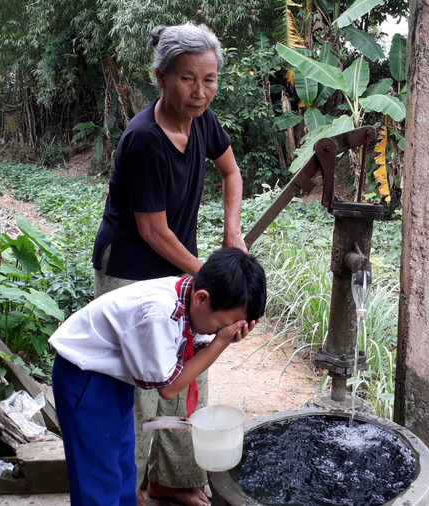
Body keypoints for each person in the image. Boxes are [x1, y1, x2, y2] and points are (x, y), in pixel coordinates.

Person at [90, 22, 246, 506]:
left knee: (189, 374)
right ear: (161, 76)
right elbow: (152, 230)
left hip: (182, 271)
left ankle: (174, 480)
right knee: (141, 387)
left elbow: (232, 172)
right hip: (130, 272)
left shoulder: (203, 121)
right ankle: (129, 488)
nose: (200, 92)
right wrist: (206, 274)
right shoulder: (143, 140)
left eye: (210, 79)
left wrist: (233, 232)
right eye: (187, 79)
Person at [50, 247, 266, 506]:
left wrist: (219, 335)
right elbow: (171, 388)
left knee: (122, 460)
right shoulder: (157, 314)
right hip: (83, 377)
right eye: (222, 326)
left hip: (113, 378)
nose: (222, 332)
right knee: (97, 473)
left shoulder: (190, 298)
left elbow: (196, 344)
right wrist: (221, 342)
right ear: (201, 298)